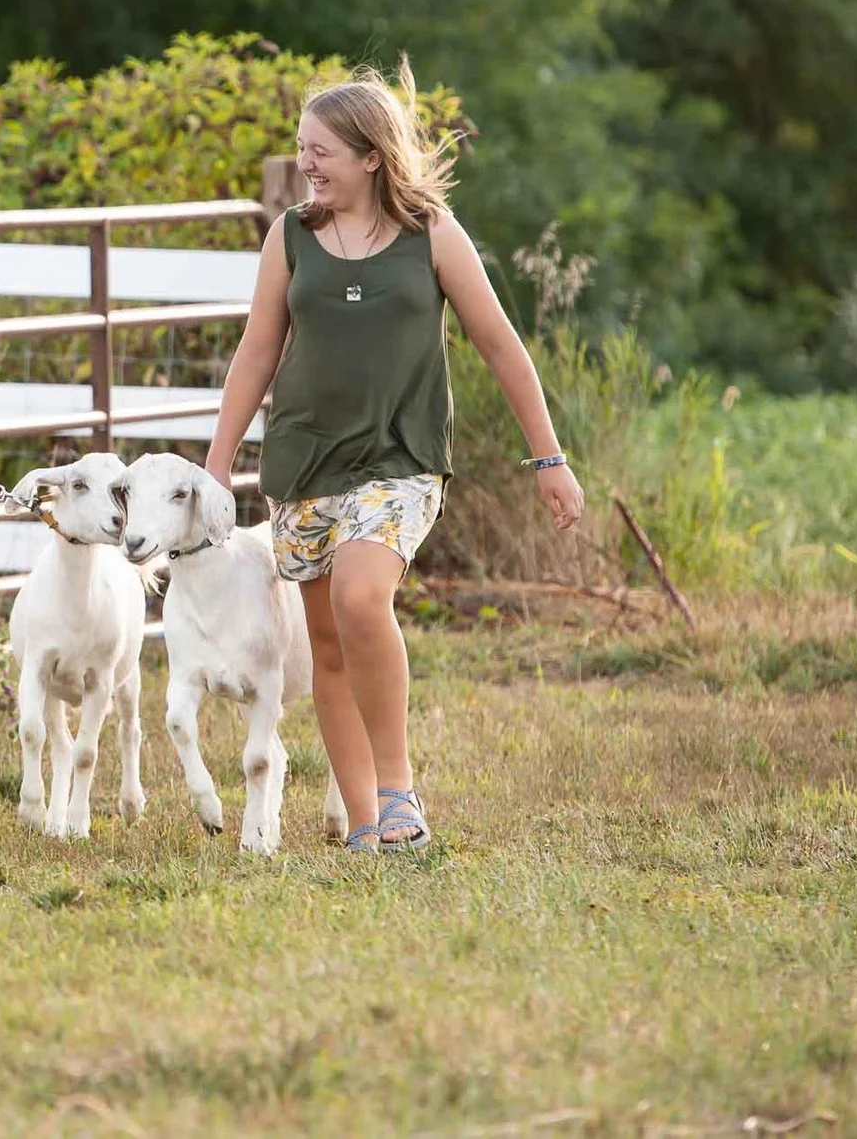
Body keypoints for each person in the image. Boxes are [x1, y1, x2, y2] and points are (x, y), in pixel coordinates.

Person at [203, 63, 585, 853]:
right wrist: (215, 464)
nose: (307, 164)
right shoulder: (292, 237)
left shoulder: (431, 233)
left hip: (400, 459)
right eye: (302, 148)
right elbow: (256, 353)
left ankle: (399, 791)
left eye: (323, 151)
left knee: (362, 596)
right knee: (330, 643)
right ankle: (367, 822)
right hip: (304, 460)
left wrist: (548, 458)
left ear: (372, 155)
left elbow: (501, 347)